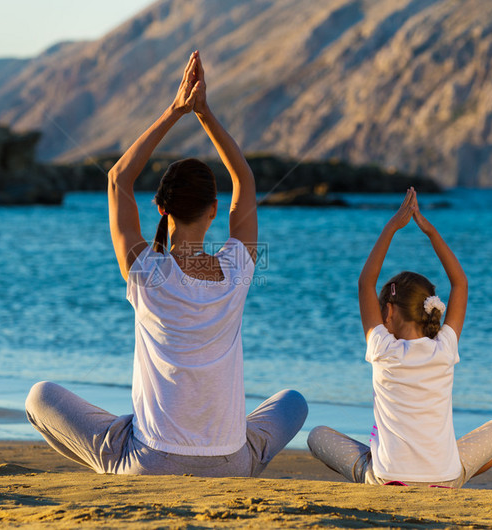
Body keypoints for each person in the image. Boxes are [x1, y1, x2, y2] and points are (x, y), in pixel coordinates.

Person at [25, 51, 307, 477]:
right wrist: (204, 113)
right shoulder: (238, 269)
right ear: (214, 210)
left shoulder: (145, 272)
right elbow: (244, 179)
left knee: (38, 397)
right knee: (293, 402)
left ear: (160, 208)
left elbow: (118, 178)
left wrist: (175, 110)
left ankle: (121, 459)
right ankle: (216, 449)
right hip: (231, 462)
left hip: (150, 461)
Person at [307, 188, 492, 488]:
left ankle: (388, 472)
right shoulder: (444, 347)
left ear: (387, 312)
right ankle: (445, 472)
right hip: (444, 479)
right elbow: (460, 282)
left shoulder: (381, 348)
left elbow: (365, 281)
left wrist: (392, 226)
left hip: (386, 479)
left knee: (316, 436)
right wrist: (430, 232)